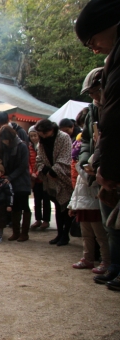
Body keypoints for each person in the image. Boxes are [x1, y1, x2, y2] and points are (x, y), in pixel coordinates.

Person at [75, 0, 120, 289]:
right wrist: (94, 162)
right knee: (110, 223)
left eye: (92, 41)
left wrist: (109, 167)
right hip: (104, 163)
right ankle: (114, 264)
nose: (94, 48)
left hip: (112, 163)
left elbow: (115, 122)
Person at [34, 119, 73, 246]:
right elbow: (39, 158)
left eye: (44, 133)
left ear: (51, 130)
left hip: (63, 177)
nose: (42, 136)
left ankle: (65, 235)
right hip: (49, 178)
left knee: (65, 206)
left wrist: (54, 170)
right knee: (57, 205)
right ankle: (59, 233)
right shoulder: (41, 141)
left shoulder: (64, 137)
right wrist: (44, 169)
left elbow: (66, 156)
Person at [68, 156, 110, 274]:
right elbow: (77, 189)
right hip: (82, 205)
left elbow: (91, 181)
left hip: (94, 204)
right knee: (86, 236)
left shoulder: (95, 163)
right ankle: (88, 258)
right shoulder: (80, 166)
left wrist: (81, 168)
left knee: (101, 236)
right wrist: (72, 205)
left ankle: (106, 261)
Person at [0, 125, 32, 242]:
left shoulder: (21, 146)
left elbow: (23, 165)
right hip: (9, 180)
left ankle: (24, 233)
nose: (5, 142)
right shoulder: (3, 147)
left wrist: (11, 177)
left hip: (21, 180)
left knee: (24, 206)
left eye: (6, 140)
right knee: (14, 207)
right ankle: (16, 232)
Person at [28, 126, 51, 230]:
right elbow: (28, 162)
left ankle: (46, 220)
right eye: (31, 136)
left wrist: (37, 173)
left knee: (46, 199)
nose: (33, 138)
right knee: (37, 200)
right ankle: (38, 219)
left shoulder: (43, 146)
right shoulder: (29, 147)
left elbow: (44, 162)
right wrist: (31, 173)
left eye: (35, 135)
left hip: (43, 177)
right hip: (34, 179)